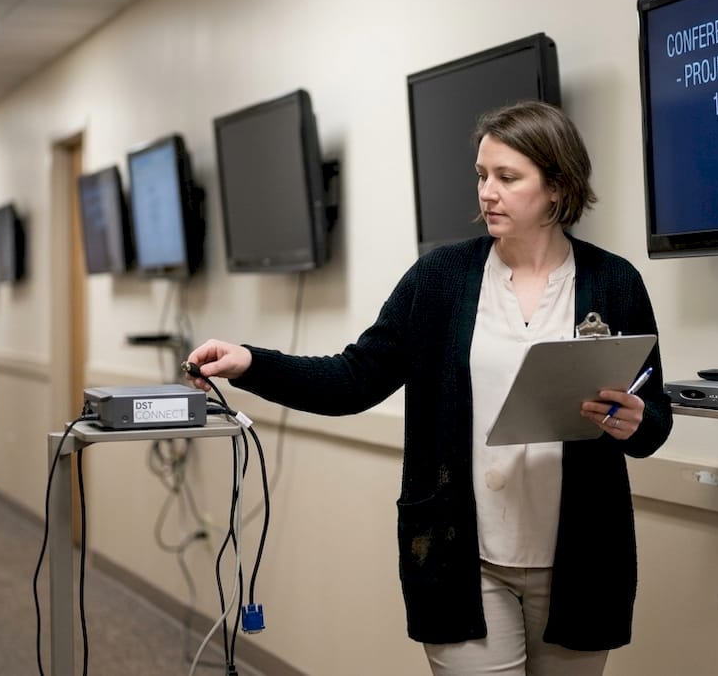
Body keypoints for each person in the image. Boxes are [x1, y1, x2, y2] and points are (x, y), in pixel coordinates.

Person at [186, 100, 672, 675]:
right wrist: (251, 363)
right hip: (462, 560)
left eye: (507, 178)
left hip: (581, 563)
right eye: (482, 176)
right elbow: (353, 379)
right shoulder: (439, 280)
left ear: (558, 186)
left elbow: (653, 412)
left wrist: (636, 423)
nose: (487, 193)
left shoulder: (614, 282)